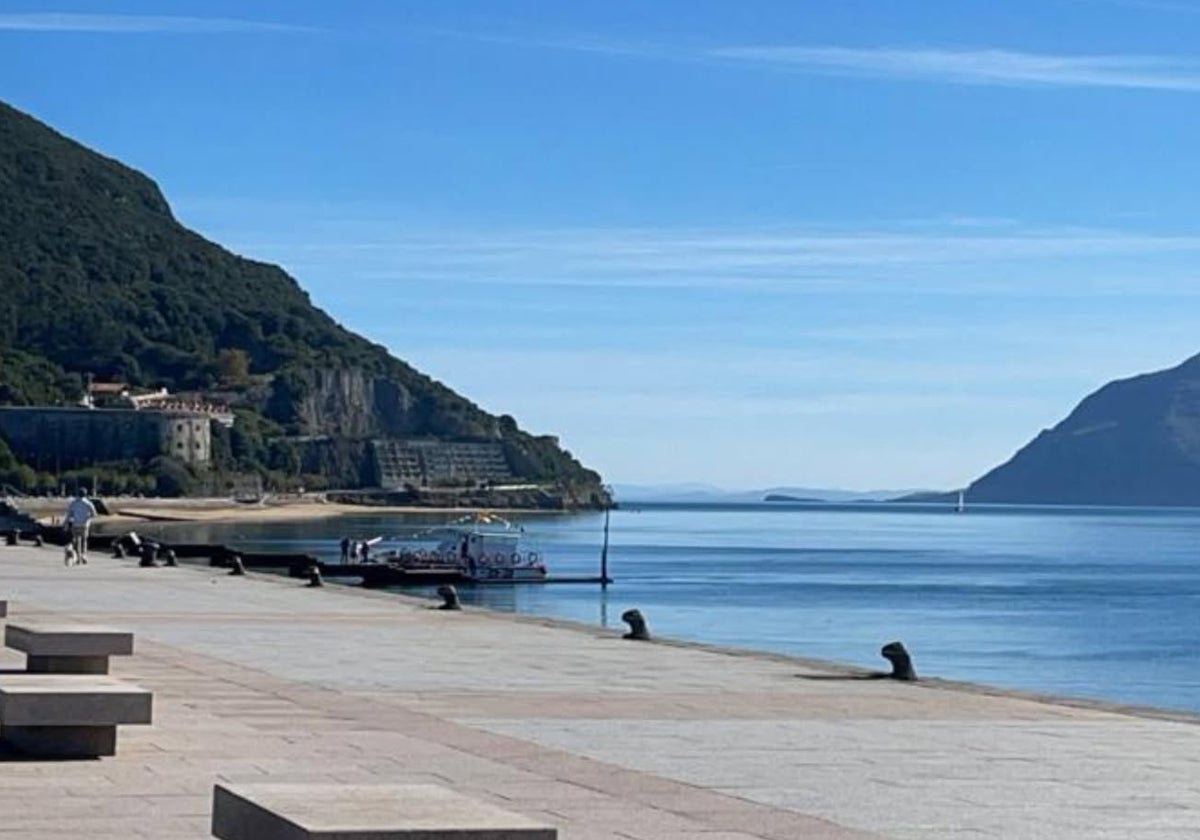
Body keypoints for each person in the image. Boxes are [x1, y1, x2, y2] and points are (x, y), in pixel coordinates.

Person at [64, 493, 97, 565]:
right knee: (84, 541)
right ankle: (84, 556)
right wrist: (88, 519)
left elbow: (69, 514)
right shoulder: (88, 503)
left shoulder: (74, 503)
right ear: (85, 494)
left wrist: (66, 523)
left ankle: (78, 558)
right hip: (84, 525)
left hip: (75, 524)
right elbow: (94, 513)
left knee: (76, 542)